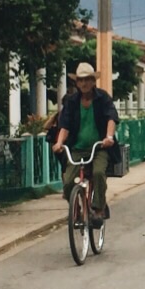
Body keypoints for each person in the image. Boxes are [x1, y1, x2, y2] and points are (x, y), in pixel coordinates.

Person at [52, 62, 119, 220]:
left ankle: (98, 208)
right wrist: (59, 142)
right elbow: (65, 125)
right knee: (68, 182)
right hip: (76, 148)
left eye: (87, 79)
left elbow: (111, 118)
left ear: (93, 81)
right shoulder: (72, 101)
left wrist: (109, 137)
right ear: (76, 83)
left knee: (98, 173)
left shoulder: (103, 98)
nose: (84, 83)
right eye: (80, 80)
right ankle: (76, 206)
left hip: (99, 148)